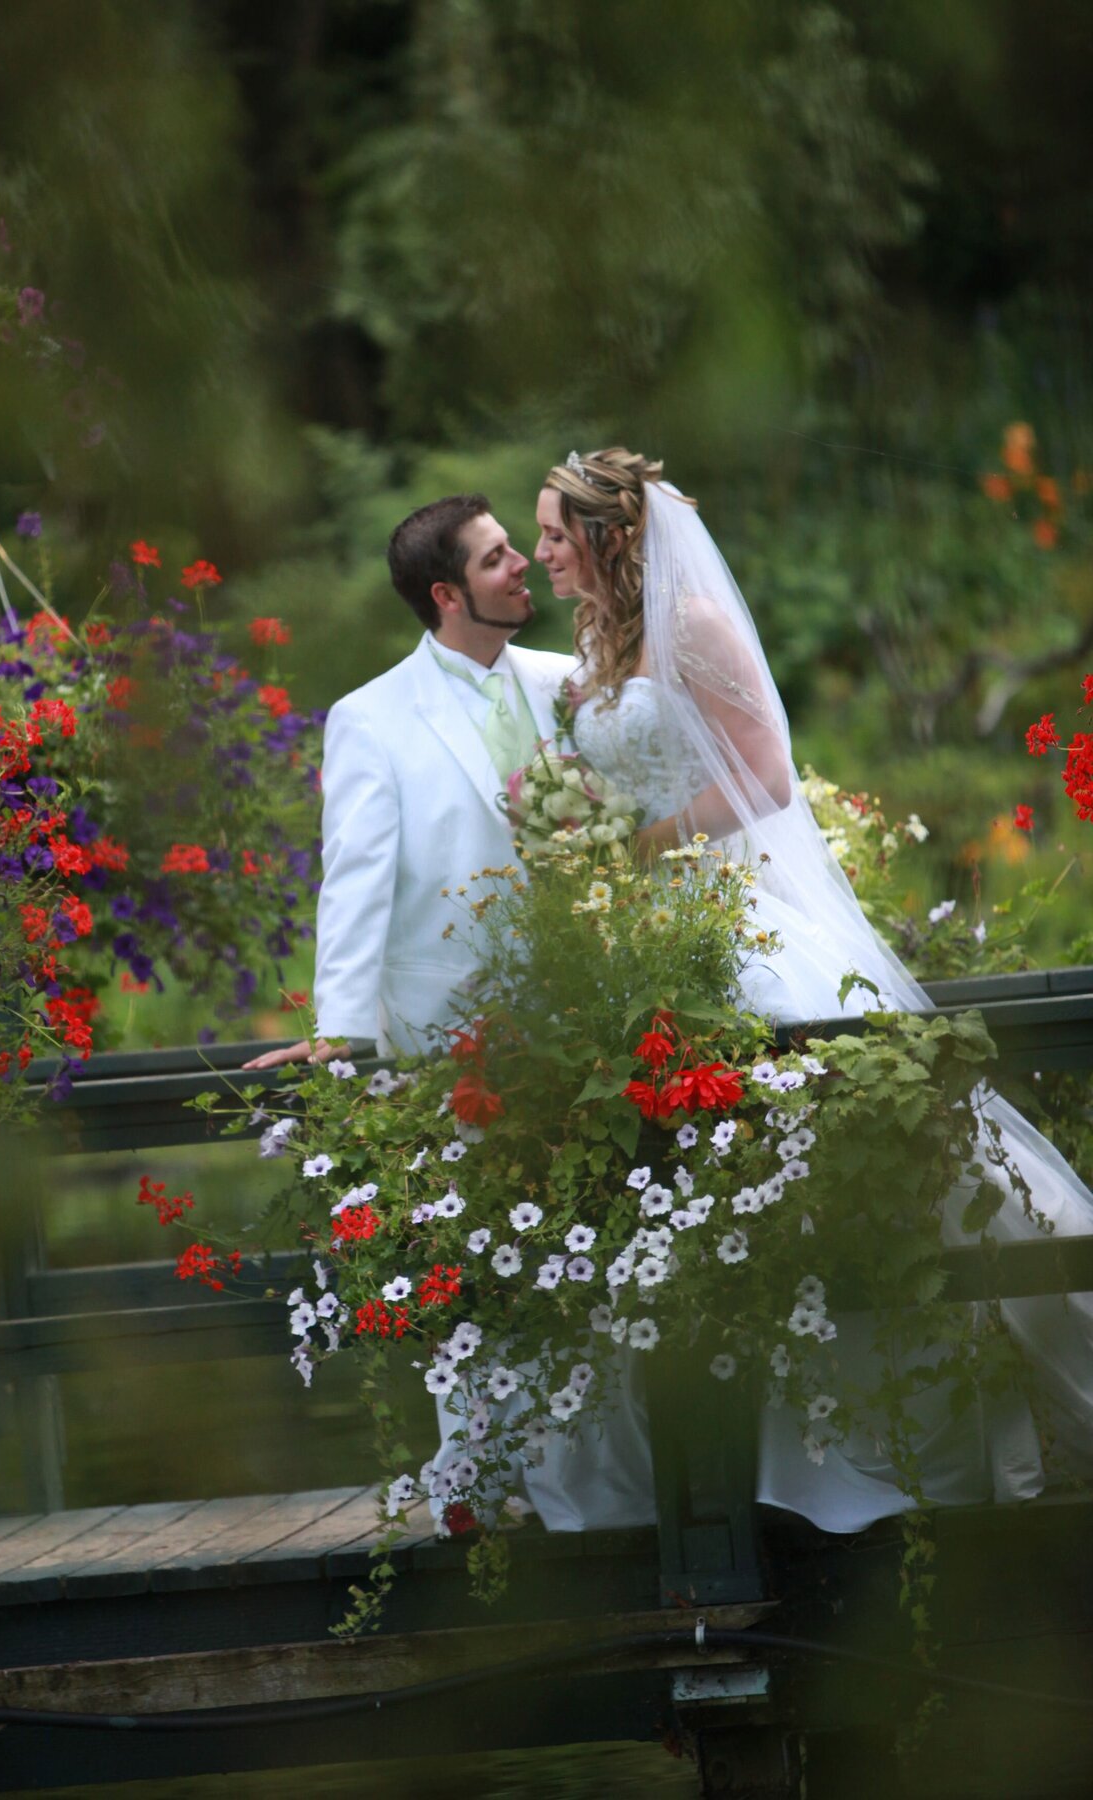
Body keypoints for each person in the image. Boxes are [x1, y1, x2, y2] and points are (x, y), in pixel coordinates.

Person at [531, 445, 1093, 1532]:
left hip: (733, 913)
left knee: (820, 1166)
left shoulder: (691, 627)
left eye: (556, 533)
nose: (546, 552)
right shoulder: (600, 640)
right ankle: (708, 1461)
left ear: (609, 535)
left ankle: (870, 1450)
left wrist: (635, 847)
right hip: (651, 929)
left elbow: (768, 778)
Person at [243, 495, 575, 1072]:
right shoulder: (369, 718)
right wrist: (341, 1027)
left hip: (584, 1013)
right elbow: (355, 876)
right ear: (446, 596)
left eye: (511, 546)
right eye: (495, 559)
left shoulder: (570, 681)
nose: (524, 562)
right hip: (452, 1030)